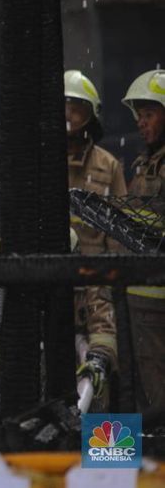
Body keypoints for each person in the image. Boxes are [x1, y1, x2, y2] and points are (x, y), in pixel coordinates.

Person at [62, 70, 126, 409]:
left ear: (91, 116)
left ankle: (107, 448)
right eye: (63, 107)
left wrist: (118, 288)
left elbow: (121, 237)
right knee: (47, 387)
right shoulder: (38, 164)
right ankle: (55, 444)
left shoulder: (108, 166)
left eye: (77, 108)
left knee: (101, 382)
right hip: (49, 288)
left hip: (97, 291)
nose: (68, 115)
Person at [122, 69, 165, 425]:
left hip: (156, 299)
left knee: (156, 399)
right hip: (135, 297)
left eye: (149, 114)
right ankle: (117, 461)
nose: (140, 122)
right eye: (138, 115)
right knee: (136, 393)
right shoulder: (143, 165)